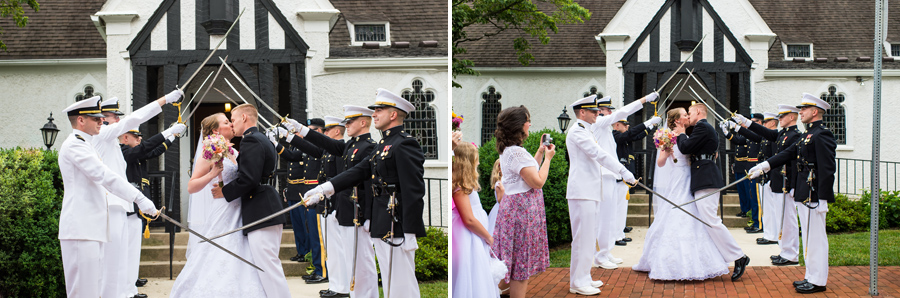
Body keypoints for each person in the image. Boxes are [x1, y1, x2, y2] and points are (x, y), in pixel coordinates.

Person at [299, 88, 426, 298]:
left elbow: (414, 190)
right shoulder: (383, 145)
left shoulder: (404, 144)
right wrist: (325, 188)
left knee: (401, 284)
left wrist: (411, 231)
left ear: (393, 114)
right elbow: (358, 171)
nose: (374, 114)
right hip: (382, 221)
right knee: (389, 281)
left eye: (379, 110)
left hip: (397, 223)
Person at [58, 97, 159, 298]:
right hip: (81, 227)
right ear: (80, 121)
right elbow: (104, 175)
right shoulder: (75, 145)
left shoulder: (87, 145)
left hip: (91, 228)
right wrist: (139, 198)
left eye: (102, 118)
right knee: (83, 292)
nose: (101, 121)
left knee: (94, 289)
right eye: (96, 118)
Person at [95, 93, 183, 298]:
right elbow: (136, 121)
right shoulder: (105, 136)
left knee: (124, 254)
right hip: (113, 204)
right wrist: (165, 101)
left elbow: (148, 151)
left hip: (125, 204)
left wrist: (170, 137)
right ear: (103, 118)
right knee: (113, 258)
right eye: (114, 117)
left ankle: (126, 292)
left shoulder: (112, 142)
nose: (118, 121)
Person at [170, 112, 266, 297]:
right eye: (226, 122)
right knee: (219, 251)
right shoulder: (210, 152)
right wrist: (212, 174)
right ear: (215, 129)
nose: (231, 124)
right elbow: (191, 187)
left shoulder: (234, 151)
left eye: (230, 121)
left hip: (241, 209)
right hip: (224, 209)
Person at [287, 107, 379, 298]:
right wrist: (300, 131)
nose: (347, 125)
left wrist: (325, 190)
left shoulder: (369, 146)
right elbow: (322, 144)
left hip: (357, 211)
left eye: (350, 121)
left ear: (363, 122)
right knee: (349, 258)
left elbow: (359, 179)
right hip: (344, 210)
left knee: (361, 262)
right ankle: (349, 291)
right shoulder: (349, 146)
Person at [749, 93, 835, 294]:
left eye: (804, 109)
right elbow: (787, 154)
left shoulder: (822, 135)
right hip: (805, 193)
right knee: (807, 237)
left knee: (815, 239)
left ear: (815, 112)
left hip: (814, 195)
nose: (801, 112)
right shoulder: (807, 135)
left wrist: (823, 198)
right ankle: (811, 276)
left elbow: (828, 168)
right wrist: (765, 166)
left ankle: (818, 280)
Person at [632, 107, 730, 280]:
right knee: (677, 213)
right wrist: (667, 152)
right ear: (677, 120)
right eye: (685, 114)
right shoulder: (668, 136)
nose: (687, 116)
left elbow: (692, 149)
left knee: (695, 215)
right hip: (678, 179)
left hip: (692, 178)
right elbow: (661, 162)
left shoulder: (690, 136)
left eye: (688, 113)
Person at [212, 104, 291, 298]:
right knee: (267, 265)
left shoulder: (251, 140)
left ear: (245, 118)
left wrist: (225, 191)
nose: (233, 124)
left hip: (261, 208)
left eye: (234, 119)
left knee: (268, 267)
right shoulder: (261, 138)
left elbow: (249, 178)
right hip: (264, 205)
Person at [565, 95, 636, 295]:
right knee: (582, 238)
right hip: (582, 191)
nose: (598, 113)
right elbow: (599, 154)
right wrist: (623, 171)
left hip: (590, 191)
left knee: (589, 236)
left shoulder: (586, 130)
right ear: (582, 112)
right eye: (594, 111)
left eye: (598, 111)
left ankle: (584, 277)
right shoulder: (578, 132)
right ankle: (577, 282)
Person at [676, 103, 750, 281]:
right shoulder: (705, 129)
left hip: (706, 178)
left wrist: (680, 134)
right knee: (707, 221)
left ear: (699, 112)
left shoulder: (702, 126)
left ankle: (739, 256)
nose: (689, 116)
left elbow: (686, 147)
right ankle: (721, 257)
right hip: (703, 176)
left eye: (691, 112)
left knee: (711, 220)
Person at [487, 106, 554, 298]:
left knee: (516, 262)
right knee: (520, 266)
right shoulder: (516, 152)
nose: (530, 124)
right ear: (519, 126)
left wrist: (540, 153)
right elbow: (537, 181)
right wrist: (548, 158)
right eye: (527, 120)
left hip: (516, 209)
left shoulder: (512, 151)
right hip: (521, 211)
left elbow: (527, 172)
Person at [590, 93, 658, 268]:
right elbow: (623, 112)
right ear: (599, 111)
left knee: (611, 216)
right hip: (603, 176)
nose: (609, 113)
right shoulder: (599, 123)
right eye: (606, 110)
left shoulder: (605, 129)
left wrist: (623, 173)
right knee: (605, 217)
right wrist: (645, 100)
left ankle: (605, 252)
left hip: (612, 175)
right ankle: (600, 255)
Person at [119, 126, 177, 297]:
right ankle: (127, 286)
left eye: (140, 137)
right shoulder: (123, 152)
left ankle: (132, 283)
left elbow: (154, 151)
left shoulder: (135, 153)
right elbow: (145, 148)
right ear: (125, 138)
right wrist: (165, 133)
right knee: (126, 250)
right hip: (128, 207)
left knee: (134, 249)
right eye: (135, 137)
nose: (139, 140)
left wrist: (172, 138)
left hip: (138, 207)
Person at [740, 105, 802, 265]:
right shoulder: (783, 134)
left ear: (792, 117)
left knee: (788, 219)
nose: (779, 119)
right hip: (778, 181)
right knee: (782, 218)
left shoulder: (795, 135)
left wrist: (764, 166)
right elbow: (765, 133)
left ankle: (791, 254)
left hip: (787, 182)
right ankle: (785, 251)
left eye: (782, 117)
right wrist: (746, 123)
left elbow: (785, 156)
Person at [272, 118, 327, 284]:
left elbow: (296, 155)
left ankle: (321, 270)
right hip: (309, 194)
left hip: (318, 195)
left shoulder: (320, 147)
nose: (303, 133)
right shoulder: (310, 147)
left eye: (310, 130)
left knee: (317, 236)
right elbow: (292, 154)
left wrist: (289, 137)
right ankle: (318, 268)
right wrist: (282, 139)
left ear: (318, 132)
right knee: (310, 232)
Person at [451, 142, 499, 298]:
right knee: (472, 273)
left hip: (474, 236)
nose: (478, 160)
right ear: (470, 160)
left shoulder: (466, 183)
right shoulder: (460, 186)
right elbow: (469, 220)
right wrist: (489, 237)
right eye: (476, 157)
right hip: (469, 237)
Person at [612, 118, 658, 244]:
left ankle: (620, 232)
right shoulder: (615, 136)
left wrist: (650, 127)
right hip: (618, 176)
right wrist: (646, 123)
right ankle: (616, 236)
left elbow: (637, 136)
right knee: (618, 207)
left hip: (624, 177)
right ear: (616, 125)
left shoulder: (624, 136)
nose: (627, 127)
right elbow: (631, 134)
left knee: (623, 206)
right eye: (624, 125)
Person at [721, 115, 764, 234]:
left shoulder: (760, 134)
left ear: (759, 122)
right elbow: (738, 141)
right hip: (750, 168)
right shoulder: (751, 135)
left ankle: (758, 224)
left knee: (756, 199)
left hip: (756, 168)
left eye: (753, 122)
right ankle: (756, 222)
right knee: (753, 197)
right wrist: (726, 132)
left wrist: (736, 127)